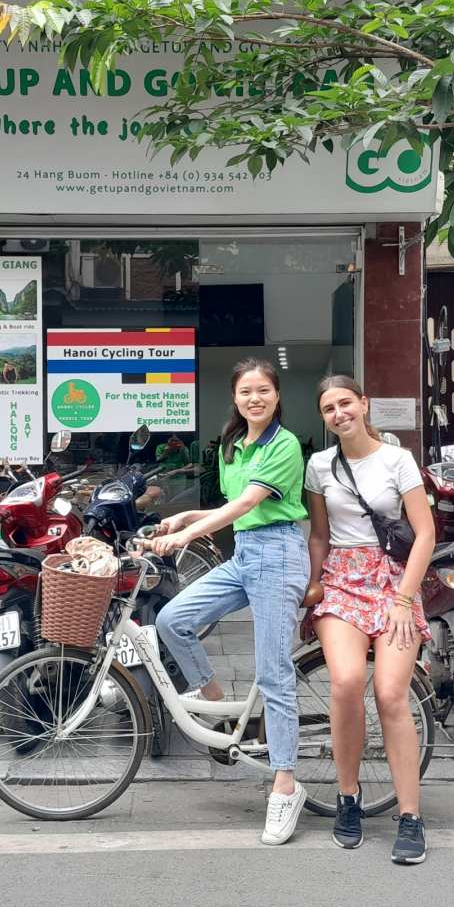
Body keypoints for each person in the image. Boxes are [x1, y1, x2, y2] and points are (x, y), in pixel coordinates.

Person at [151, 358, 311, 845]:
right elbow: (232, 506)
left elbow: (248, 504)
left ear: (277, 396)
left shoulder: (283, 444)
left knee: (273, 673)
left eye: (263, 390)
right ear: (235, 398)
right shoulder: (232, 445)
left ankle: (285, 784)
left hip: (279, 556)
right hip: (245, 555)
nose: (254, 399)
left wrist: (187, 536)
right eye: (246, 392)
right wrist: (187, 518)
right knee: (172, 620)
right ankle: (216, 700)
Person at [303, 374, 437, 865]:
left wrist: (403, 600)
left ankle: (410, 816)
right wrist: (312, 584)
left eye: (345, 403)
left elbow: (425, 533)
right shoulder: (319, 465)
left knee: (391, 694)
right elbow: (320, 534)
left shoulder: (397, 459)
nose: (339, 414)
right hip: (342, 580)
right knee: (346, 681)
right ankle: (348, 797)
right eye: (329, 409)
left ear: (363, 403)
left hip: (393, 583)